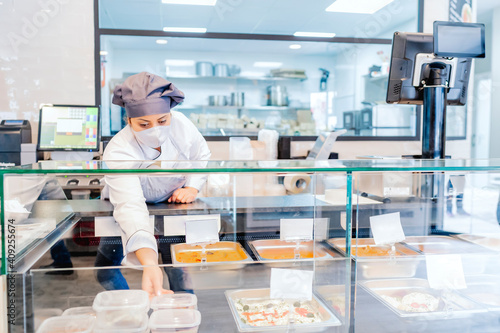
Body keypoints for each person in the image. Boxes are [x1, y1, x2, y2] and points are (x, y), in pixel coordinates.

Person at [100, 72, 211, 297]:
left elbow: (202, 155)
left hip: (172, 204)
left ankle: (181, 318)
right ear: (128, 120)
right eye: (144, 123)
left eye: (162, 121)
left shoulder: (182, 125)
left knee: (178, 270)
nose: (156, 130)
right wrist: (149, 263)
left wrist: (192, 186)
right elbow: (130, 205)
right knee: (105, 272)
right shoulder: (119, 149)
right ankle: (134, 309)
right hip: (123, 208)